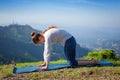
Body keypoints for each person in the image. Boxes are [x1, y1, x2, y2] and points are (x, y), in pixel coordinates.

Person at [31, 26, 100, 70]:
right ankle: (90, 60)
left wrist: (46, 66)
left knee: (73, 63)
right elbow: (45, 51)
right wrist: (45, 62)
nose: (42, 43)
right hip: (69, 41)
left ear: (40, 38)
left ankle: (92, 62)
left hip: (70, 41)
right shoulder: (45, 35)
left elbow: (47, 51)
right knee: (71, 60)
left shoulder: (47, 36)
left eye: (40, 42)